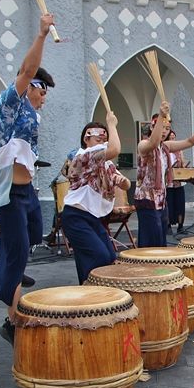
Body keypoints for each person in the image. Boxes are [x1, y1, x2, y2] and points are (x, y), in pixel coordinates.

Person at [0, 13, 55, 346]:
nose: (44, 96)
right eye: (42, 90)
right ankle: (11, 320)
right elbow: (27, 70)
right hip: (7, 191)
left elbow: (6, 143)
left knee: (31, 235)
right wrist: (41, 34)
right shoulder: (9, 103)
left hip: (25, 188)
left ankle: (12, 268)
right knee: (15, 251)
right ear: (29, 85)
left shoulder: (31, 114)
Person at [61, 117, 129, 283]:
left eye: (103, 137)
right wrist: (112, 124)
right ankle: (91, 294)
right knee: (99, 256)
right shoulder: (83, 156)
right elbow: (115, 148)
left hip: (93, 218)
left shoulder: (105, 163)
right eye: (97, 137)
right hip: (75, 216)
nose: (102, 139)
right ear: (86, 138)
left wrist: (123, 181)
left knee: (108, 257)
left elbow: (125, 184)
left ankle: (92, 294)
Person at [136, 101, 194, 247]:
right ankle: (147, 266)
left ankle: (159, 266)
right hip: (147, 199)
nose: (164, 131)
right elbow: (152, 143)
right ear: (152, 127)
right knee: (151, 240)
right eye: (161, 127)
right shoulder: (143, 145)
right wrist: (162, 115)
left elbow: (188, 142)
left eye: (167, 128)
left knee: (161, 239)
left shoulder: (165, 147)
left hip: (161, 199)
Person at [165, 129, 190, 234]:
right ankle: (168, 225)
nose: (172, 138)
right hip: (169, 182)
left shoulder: (179, 150)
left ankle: (180, 226)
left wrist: (182, 163)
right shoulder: (165, 150)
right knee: (169, 204)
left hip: (179, 181)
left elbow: (183, 164)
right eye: (170, 137)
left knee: (180, 204)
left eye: (173, 137)